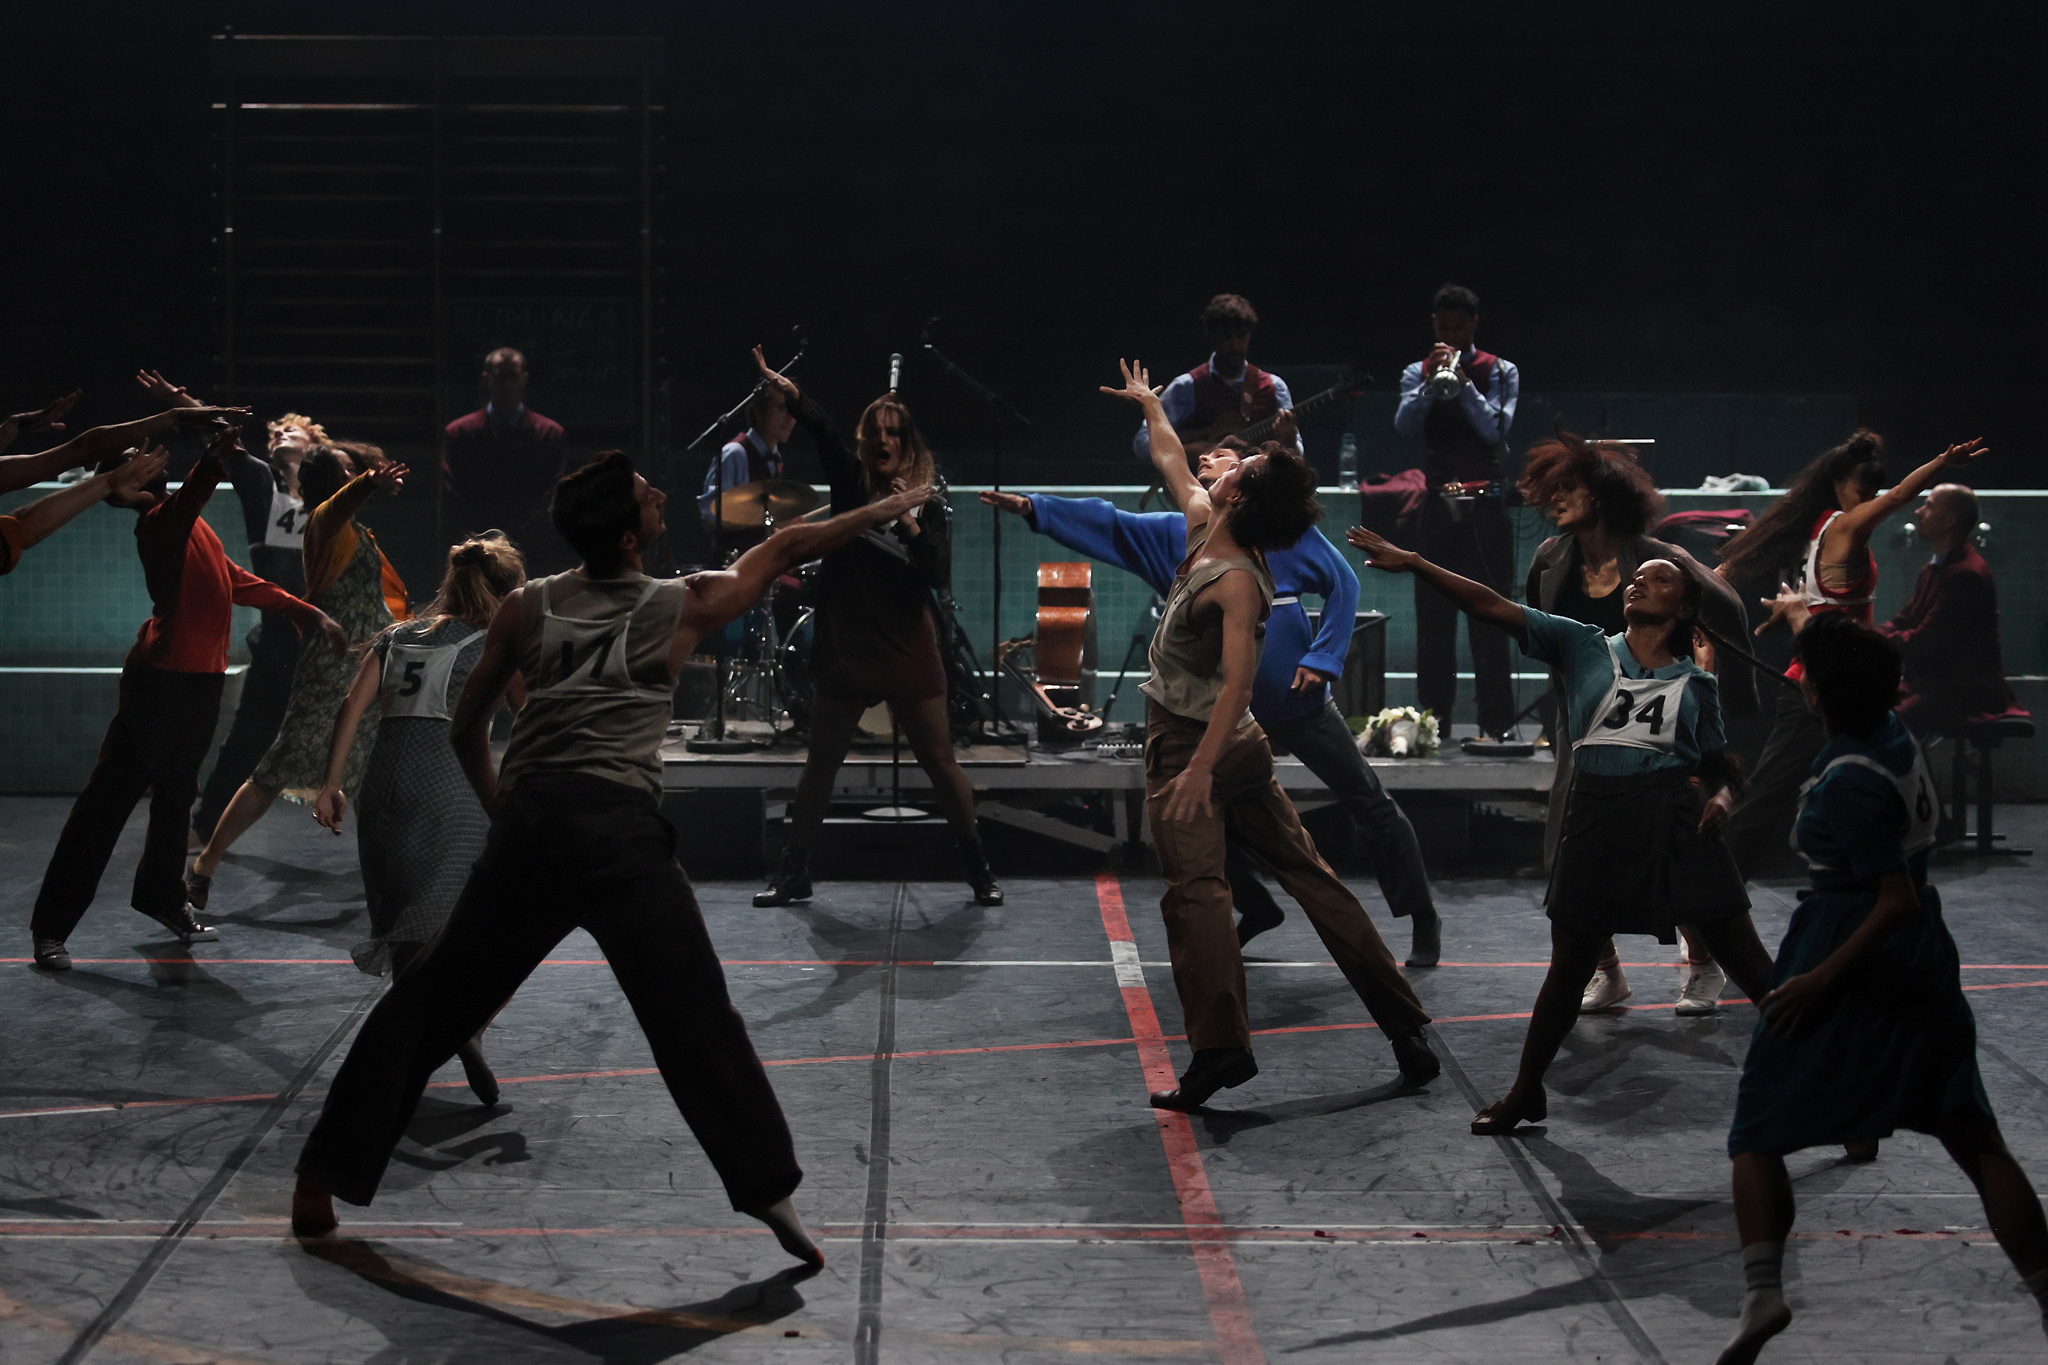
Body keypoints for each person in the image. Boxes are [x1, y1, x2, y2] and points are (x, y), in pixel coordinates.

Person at [288, 448, 940, 1268]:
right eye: (646, 494)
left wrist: (503, 816)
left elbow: (467, 727)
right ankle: (768, 1190)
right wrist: (881, 511)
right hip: (619, 834)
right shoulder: (678, 603)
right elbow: (788, 546)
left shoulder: (525, 605)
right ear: (630, 537)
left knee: (427, 1004)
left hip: (534, 825)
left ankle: (322, 1175)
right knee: (696, 1018)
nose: (660, 493)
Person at [1348, 524, 1780, 1135]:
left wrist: (1724, 800)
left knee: (1755, 970)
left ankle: (1840, 1085)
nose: (1637, 582)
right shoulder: (1583, 645)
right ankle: (1526, 1090)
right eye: (1635, 577)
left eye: (1657, 579)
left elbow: (1718, 765)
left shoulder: (1696, 683)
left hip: (1676, 824)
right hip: (1598, 816)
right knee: (1569, 969)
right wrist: (1417, 561)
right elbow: (1491, 606)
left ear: (1684, 608)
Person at [1105, 359, 1438, 1111]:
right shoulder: (1205, 523)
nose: (1224, 464)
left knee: (1196, 895)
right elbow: (1169, 456)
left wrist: (1197, 769)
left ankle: (1221, 1051)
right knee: (1310, 876)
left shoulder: (1234, 578)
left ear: (1241, 495)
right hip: (1237, 747)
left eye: (1240, 466)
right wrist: (1152, 404)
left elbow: (1237, 683)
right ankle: (1406, 1028)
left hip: (1197, 744)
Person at [1717, 615, 2048, 1365]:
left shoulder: (1847, 783)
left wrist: (1817, 978)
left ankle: (1763, 1290)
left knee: (1757, 1127)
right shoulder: (1892, 737)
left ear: (1818, 693)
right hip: (1924, 952)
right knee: (1974, 1135)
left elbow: (1890, 899)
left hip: (1851, 943)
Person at [978, 443, 1444, 966]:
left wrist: (1325, 657)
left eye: (1230, 458)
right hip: (1226, 715)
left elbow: (1344, 583)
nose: (1211, 460)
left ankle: (1422, 915)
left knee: (1368, 800)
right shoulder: (1179, 533)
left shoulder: (1283, 532)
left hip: (1297, 702)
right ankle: (1257, 906)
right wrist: (1037, 507)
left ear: (1244, 487)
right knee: (1194, 810)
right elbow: (1112, 522)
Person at [30, 428, 346, 970]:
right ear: (125, 490)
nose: (144, 462)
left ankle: (162, 897)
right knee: (108, 802)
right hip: (161, 684)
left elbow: (232, 578)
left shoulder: (186, 521)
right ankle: (51, 927)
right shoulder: (160, 525)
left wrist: (304, 611)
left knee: (177, 798)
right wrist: (213, 458)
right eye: (131, 463)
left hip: (200, 682)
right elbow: (192, 497)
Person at [748, 347, 1003, 909]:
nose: (884, 440)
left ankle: (978, 867)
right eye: (877, 432)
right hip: (848, 641)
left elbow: (936, 574)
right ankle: (794, 871)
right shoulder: (851, 483)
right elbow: (823, 429)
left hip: (905, 643)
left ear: (907, 444)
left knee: (940, 762)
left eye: (895, 433)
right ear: (867, 442)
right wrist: (793, 396)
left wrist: (908, 520)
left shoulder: (926, 503)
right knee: (822, 764)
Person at [1518, 433, 1756, 1014]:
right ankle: (1607, 972)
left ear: (1601, 496)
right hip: (1590, 726)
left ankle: (1703, 965)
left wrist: (1713, 680)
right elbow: (1541, 632)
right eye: (1553, 490)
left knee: (1673, 848)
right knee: (1567, 852)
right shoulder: (1551, 559)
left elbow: (1725, 604)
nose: (1556, 500)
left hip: (1660, 723)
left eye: (1568, 488)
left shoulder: (1653, 557)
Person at [312, 532, 528, 1105]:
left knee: (409, 919)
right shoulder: (495, 643)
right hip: (449, 781)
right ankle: (468, 1027)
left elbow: (351, 707)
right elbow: (530, 718)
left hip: (384, 783)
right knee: (494, 918)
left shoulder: (398, 636)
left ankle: (412, 1050)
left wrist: (331, 784)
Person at [1716, 432, 1986, 882]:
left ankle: (1907, 851)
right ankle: (1714, 885)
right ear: (1839, 486)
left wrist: (1797, 608)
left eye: (1874, 492)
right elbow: (1901, 496)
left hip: (1846, 679)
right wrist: (1943, 462)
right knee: (1768, 792)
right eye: (1864, 492)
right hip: (1822, 680)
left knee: (1880, 760)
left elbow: (1824, 602)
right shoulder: (1845, 526)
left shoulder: (1823, 524)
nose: (1871, 501)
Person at [186, 445, 410, 910]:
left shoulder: (354, 530)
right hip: (329, 667)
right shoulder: (324, 521)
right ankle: (204, 865)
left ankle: (392, 874)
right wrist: (370, 483)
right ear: (332, 480)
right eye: (346, 469)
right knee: (276, 768)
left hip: (366, 664)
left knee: (371, 768)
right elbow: (344, 502)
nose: (354, 473)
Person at [131, 370, 333, 844]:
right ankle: (204, 826)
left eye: (292, 431)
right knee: (251, 733)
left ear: (316, 446)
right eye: (275, 433)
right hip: (281, 633)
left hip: (330, 629)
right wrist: (180, 402)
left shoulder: (333, 495)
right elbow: (223, 438)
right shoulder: (264, 484)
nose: (280, 435)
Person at [1392, 283, 1521, 739]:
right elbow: (1404, 424)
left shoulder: (1501, 370)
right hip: (1437, 508)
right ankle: (1434, 724)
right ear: (1434, 325)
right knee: (1433, 621)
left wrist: (1464, 385)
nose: (1451, 334)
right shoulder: (1416, 371)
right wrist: (1432, 383)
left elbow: (1495, 430)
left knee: (1492, 618)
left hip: (1486, 509)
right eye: (1444, 327)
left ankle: (1496, 725)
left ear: (1473, 325)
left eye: (1459, 327)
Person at [1878, 483, 2018, 736]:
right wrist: (1873, 634)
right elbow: (1906, 618)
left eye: (1929, 506)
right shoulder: (1938, 567)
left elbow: (1929, 639)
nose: (1918, 512)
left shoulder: (1964, 574)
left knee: (1876, 716)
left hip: (1964, 692)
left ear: (1949, 520)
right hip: (1940, 684)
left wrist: (1875, 640)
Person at [1131, 294, 1300, 464]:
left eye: (1241, 335)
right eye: (1226, 337)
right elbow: (1143, 442)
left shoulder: (1274, 387)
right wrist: (1188, 451)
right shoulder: (1186, 386)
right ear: (1212, 337)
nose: (1235, 345)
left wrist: (1290, 440)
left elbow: (1297, 455)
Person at [441, 347, 568, 563]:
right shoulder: (458, 434)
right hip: (478, 549)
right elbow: (453, 495)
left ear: (524, 379)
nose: (507, 384)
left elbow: (552, 495)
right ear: (487, 379)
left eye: (512, 377)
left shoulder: (550, 435)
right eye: (501, 377)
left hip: (531, 550)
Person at [698, 380, 797, 525]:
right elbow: (711, 518)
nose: (790, 418)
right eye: (781, 408)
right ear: (759, 411)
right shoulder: (735, 454)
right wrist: (767, 523)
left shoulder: (775, 457)